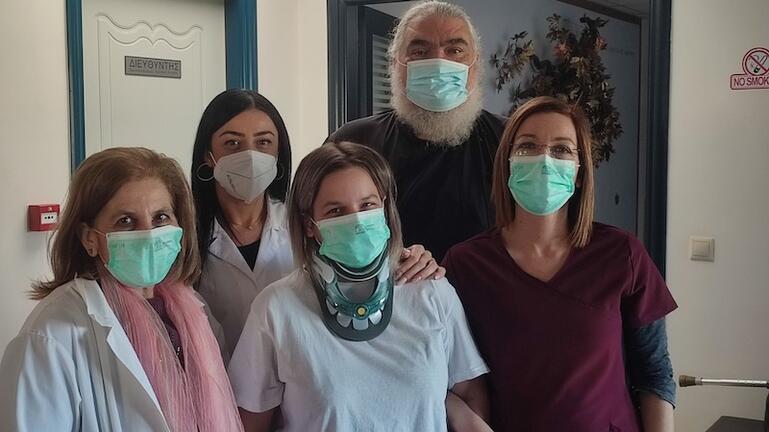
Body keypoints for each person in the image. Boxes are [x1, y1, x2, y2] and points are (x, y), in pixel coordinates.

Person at [442, 96, 677, 432]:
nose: (544, 160)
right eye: (527, 146)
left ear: (580, 173)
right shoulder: (467, 265)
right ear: (506, 164)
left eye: (562, 149)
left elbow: (654, 372)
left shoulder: (622, 254)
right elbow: (447, 376)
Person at [228, 141, 491, 432]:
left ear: (385, 208)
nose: (356, 220)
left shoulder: (431, 293)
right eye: (336, 211)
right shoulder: (276, 309)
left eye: (367, 205)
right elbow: (248, 424)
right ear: (309, 225)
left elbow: (471, 396)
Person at [0, 147, 243, 431]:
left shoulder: (193, 311)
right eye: (125, 221)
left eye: (161, 217)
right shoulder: (51, 335)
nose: (149, 234)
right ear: (89, 238)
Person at [191, 89, 443, 359]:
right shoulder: (188, 238)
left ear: (278, 152)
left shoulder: (314, 226)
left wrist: (410, 259)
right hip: (218, 377)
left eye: (263, 142)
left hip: (305, 371)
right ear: (208, 155)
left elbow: (362, 265)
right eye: (232, 143)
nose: (250, 156)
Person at [328, 1, 506, 261]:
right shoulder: (355, 142)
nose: (438, 63)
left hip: (482, 286)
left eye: (455, 50)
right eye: (420, 51)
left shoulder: (508, 139)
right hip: (384, 285)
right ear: (395, 64)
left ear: (476, 65)